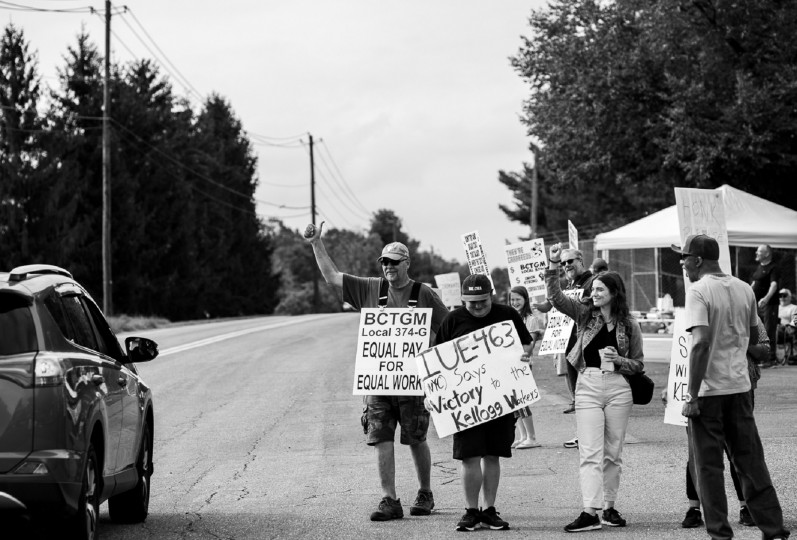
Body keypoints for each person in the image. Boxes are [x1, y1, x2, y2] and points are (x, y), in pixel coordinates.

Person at [304, 221, 449, 521]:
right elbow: (332, 277)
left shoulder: (425, 294)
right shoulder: (370, 288)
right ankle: (389, 499)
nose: (388, 267)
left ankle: (425, 493)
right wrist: (317, 243)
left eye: (395, 262)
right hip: (379, 383)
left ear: (407, 263)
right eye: (384, 262)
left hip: (413, 384)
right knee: (380, 437)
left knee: (416, 438)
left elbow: (448, 331)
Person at [673, 234, 789, 540]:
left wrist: (691, 395)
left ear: (697, 260)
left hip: (709, 394)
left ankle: (721, 535)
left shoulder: (698, 291)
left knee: (708, 470)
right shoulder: (743, 288)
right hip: (739, 388)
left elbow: (700, 344)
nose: (682, 264)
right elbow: (755, 340)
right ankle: (774, 529)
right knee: (751, 461)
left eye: (684, 257)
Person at [546, 243, 644, 532]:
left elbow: (639, 364)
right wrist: (553, 266)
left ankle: (609, 509)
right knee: (589, 452)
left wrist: (620, 361)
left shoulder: (629, 324)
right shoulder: (585, 314)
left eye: (601, 289)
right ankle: (590, 510)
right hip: (587, 385)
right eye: (594, 289)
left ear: (614, 293)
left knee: (613, 453)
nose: (595, 293)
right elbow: (555, 298)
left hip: (618, 389)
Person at [435, 274, 533, 532]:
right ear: (463, 300)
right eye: (471, 302)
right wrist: (433, 395)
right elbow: (437, 362)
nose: (477, 306)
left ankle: (489, 510)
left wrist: (525, 355)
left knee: (492, 455)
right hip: (467, 403)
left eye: (482, 301)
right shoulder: (453, 320)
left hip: (500, 399)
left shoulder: (508, 314)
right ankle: (471, 511)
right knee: (469, 456)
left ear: (491, 295)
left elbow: (526, 343)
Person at [667, 319, 769, 529]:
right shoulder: (694, 313)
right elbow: (682, 353)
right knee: (697, 450)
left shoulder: (747, 315)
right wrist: (672, 388)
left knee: (738, 448)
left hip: (738, 389)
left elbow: (765, 350)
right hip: (700, 390)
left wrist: (743, 343)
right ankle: (694, 508)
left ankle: (746, 506)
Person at [535, 247, 595, 450]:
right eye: (563, 263)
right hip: (569, 345)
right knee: (577, 393)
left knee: (585, 393)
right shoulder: (570, 285)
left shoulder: (591, 283)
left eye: (570, 261)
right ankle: (584, 433)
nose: (567, 266)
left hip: (585, 345)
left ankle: (589, 435)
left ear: (581, 261)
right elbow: (556, 303)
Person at [509, 286, 542, 450]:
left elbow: (530, 343)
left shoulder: (531, 319)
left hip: (523, 364)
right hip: (510, 364)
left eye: (518, 299)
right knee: (514, 402)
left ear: (525, 300)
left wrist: (522, 354)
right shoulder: (510, 318)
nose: (514, 303)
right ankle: (523, 436)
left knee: (522, 401)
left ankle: (532, 436)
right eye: (512, 299)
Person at [750, 244, 780, 367]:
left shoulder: (773, 268)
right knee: (758, 332)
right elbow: (754, 284)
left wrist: (766, 299)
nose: (756, 253)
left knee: (769, 331)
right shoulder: (759, 267)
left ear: (767, 254)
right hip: (756, 305)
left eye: (759, 251)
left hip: (769, 305)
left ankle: (771, 359)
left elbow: (774, 285)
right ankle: (762, 357)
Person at [776, 289, 797, 365]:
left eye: (784, 295)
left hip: (787, 330)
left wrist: (789, 327)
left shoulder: (794, 307)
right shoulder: (775, 307)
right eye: (780, 296)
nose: (782, 297)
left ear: (790, 297)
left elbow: (795, 321)